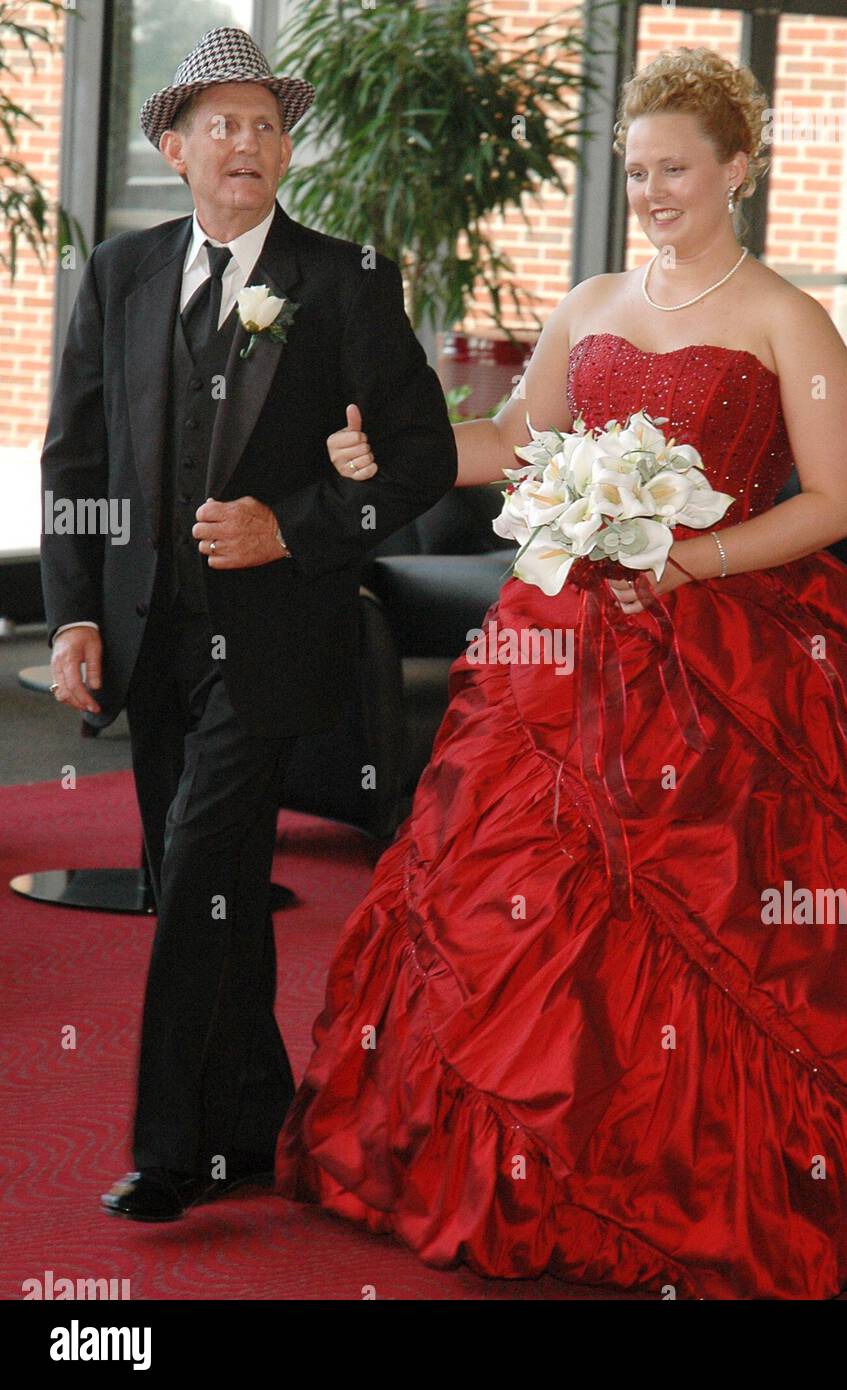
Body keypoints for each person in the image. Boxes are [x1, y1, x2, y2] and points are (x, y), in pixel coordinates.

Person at [275, 48, 847, 1298]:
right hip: (568, 644)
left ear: (736, 167)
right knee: (529, 894)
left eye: (672, 169)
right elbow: (519, 445)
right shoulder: (588, 302)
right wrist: (391, 459)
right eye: (633, 171)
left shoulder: (784, 318)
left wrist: (697, 562)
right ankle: (542, 1154)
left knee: (729, 917)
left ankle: (708, 1173)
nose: (649, 192)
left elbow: (839, 501)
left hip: (732, 648)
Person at [39, 27, 457, 1223]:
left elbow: (421, 456)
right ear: (173, 147)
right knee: (197, 877)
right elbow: (77, 460)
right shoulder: (119, 275)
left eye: (267, 125)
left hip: (273, 640)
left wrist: (298, 525)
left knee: (203, 864)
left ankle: (168, 1150)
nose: (249, 143)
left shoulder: (346, 280)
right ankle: (256, 1110)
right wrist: (72, 614)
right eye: (222, 124)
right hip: (145, 632)